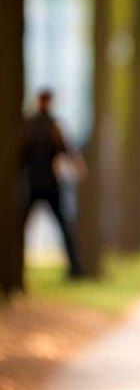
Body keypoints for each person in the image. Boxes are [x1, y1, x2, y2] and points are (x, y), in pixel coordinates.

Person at [20, 89, 86, 279]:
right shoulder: (53, 126)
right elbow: (67, 150)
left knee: (22, 227)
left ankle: (16, 267)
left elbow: (20, 156)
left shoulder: (28, 126)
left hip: (33, 184)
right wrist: (79, 168)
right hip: (50, 184)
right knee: (64, 226)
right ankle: (75, 268)